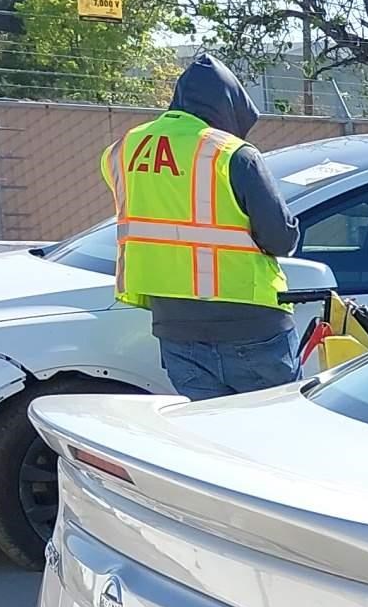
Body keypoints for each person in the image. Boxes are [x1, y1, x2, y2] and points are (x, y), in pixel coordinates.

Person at [100, 54, 302, 400]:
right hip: (251, 325)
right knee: (272, 440)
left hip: (175, 326)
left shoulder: (123, 149)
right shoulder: (234, 154)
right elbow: (281, 238)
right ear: (228, 105)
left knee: (209, 442)